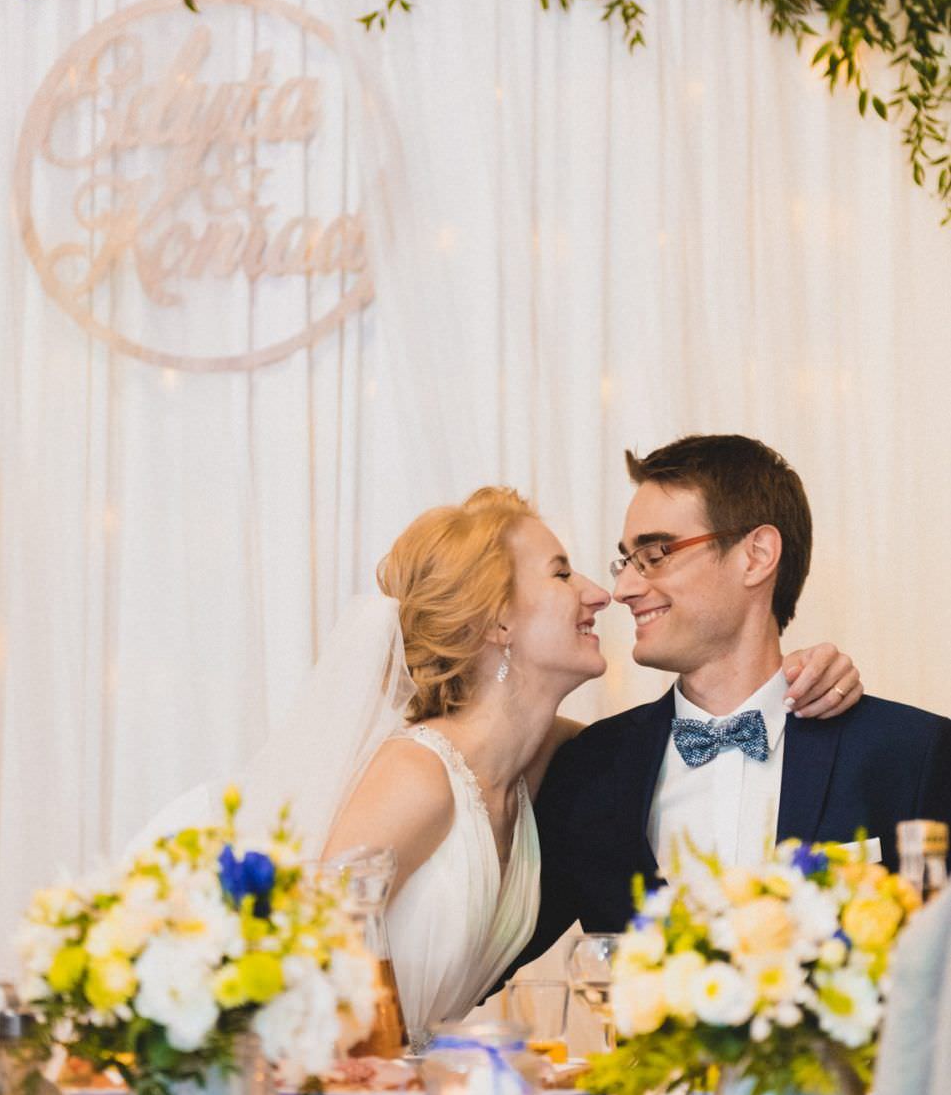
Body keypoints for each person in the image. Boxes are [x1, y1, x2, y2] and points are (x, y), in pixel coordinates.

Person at [253, 484, 862, 1046]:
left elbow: (692, 724)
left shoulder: (562, 762)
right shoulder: (416, 775)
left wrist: (809, 678)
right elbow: (297, 969)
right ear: (497, 619)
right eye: (562, 572)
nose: (603, 592)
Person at [515, 435, 951, 971]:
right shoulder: (593, 768)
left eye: (655, 555)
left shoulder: (909, 752)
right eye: (624, 561)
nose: (625, 588)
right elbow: (486, 958)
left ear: (756, 556)